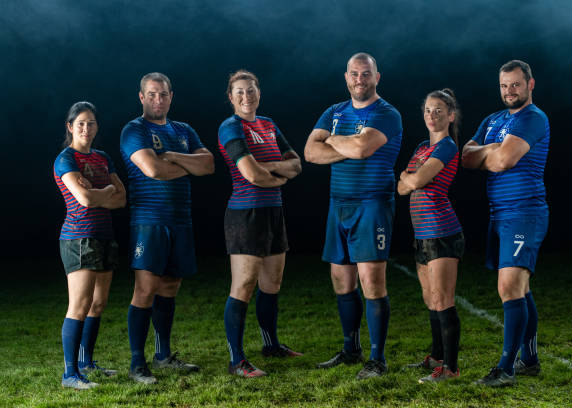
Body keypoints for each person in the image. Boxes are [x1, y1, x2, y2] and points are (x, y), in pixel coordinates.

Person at [304, 52, 402, 379]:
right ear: (346, 77)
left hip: (372, 204)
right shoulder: (334, 111)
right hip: (339, 204)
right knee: (341, 280)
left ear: (377, 77)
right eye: (354, 74)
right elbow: (310, 152)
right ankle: (350, 349)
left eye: (366, 74)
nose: (360, 80)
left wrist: (333, 140)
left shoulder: (387, 113)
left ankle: (377, 360)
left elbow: (362, 150)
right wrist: (347, 143)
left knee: (371, 281)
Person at [120, 72, 215, 384]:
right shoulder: (134, 130)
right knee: (145, 289)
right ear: (141, 97)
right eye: (151, 94)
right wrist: (188, 165)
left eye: (163, 94)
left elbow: (209, 165)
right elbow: (152, 169)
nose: (157, 100)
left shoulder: (183, 130)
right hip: (149, 221)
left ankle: (162, 356)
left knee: (170, 287)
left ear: (171, 96)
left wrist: (173, 156)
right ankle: (137, 364)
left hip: (180, 221)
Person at [462, 60, 549, 387]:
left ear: (530, 84)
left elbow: (504, 160)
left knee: (509, 287)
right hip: (499, 214)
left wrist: (491, 152)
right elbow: (466, 157)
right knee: (520, 289)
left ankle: (506, 369)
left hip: (524, 212)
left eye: (515, 84)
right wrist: (492, 149)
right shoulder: (493, 120)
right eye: (504, 85)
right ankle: (530, 360)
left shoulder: (533, 118)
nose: (509, 91)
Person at [218, 70, 303, 378]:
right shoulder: (230, 127)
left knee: (272, 284)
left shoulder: (268, 125)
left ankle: (271, 345)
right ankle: (236, 360)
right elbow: (249, 175)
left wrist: (268, 168)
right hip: (246, 214)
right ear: (231, 97)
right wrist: (276, 173)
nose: (246, 96)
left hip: (273, 212)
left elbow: (297, 164)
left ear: (258, 93)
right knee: (243, 286)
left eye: (251, 90)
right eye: (239, 92)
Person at [54, 101, 126, 389]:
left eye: (91, 123)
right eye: (80, 123)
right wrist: (105, 190)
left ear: (97, 127)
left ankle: (86, 362)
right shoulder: (66, 159)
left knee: (98, 303)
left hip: (105, 235)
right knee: (80, 305)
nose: (86, 128)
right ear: (71, 127)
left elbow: (121, 199)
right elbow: (84, 200)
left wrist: (100, 191)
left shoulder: (102, 158)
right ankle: (70, 374)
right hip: (79, 238)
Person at [398, 89, 463, 383]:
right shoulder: (424, 146)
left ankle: (450, 368)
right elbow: (401, 186)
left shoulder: (447, 146)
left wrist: (410, 178)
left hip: (442, 232)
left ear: (450, 116)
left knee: (443, 298)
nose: (431, 115)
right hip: (421, 233)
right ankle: (437, 357)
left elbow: (417, 179)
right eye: (427, 110)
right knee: (430, 298)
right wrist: (409, 180)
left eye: (438, 110)